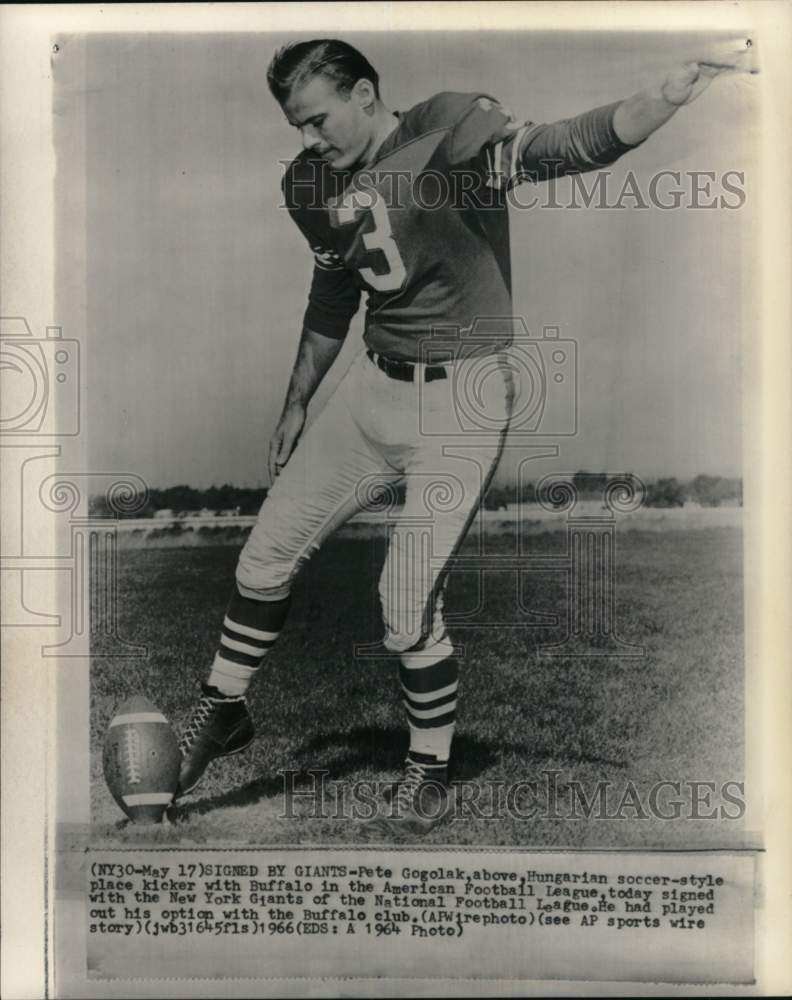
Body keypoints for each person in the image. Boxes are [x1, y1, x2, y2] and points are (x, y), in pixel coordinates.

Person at [176, 37, 754, 836]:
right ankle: (223, 709)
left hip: (465, 396)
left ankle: (427, 766)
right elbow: (331, 292)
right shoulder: (309, 182)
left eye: (317, 120)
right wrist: (297, 401)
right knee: (264, 554)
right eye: (296, 126)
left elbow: (558, 149)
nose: (308, 141)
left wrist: (661, 100)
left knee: (403, 604)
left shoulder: (446, 132)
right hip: (373, 389)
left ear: (367, 94)